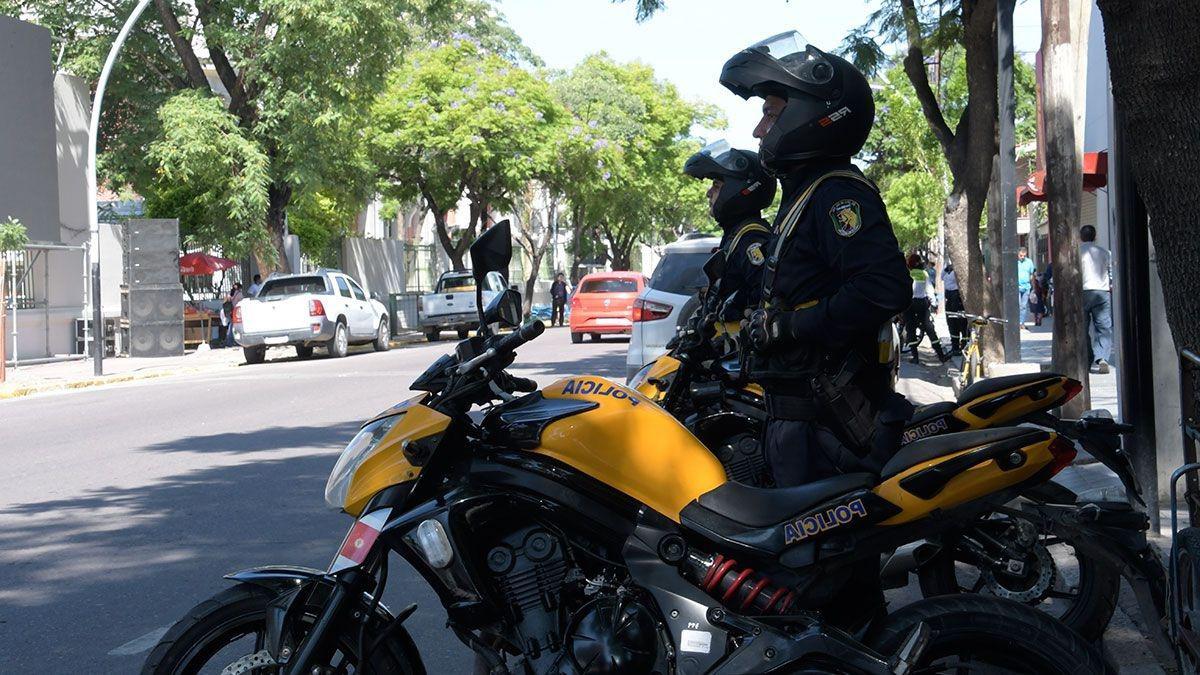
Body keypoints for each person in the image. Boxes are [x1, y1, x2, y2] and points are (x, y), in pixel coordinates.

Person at [721, 31, 913, 488]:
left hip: (830, 425)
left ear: (810, 113)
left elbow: (884, 288)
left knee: (823, 557)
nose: (759, 130)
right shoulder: (806, 194)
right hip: (798, 418)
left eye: (770, 113)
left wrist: (790, 327)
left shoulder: (836, 193)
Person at [683, 139, 776, 321]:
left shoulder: (751, 238)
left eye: (716, 185)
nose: (708, 193)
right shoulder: (736, 235)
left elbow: (763, 300)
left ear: (738, 189)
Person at [904, 254, 949, 364]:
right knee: (929, 328)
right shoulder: (923, 274)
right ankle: (941, 356)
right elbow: (929, 289)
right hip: (921, 303)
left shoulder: (906, 273)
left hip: (909, 304)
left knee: (911, 330)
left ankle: (915, 358)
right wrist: (934, 303)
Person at [1080, 225, 1113, 373]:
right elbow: (1111, 273)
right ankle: (1102, 358)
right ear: (1095, 236)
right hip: (1102, 292)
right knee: (1103, 327)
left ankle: (1086, 359)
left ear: (1081, 237)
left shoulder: (1076, 253)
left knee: (1082, 328)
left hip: (1082, 292)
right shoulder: (1106, 252)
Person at [943, 262, 966, 355]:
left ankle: (962, 346)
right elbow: (942, 277)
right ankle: (956, 347)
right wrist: (947, 269)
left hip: (958, 299)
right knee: (952, 323)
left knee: (962, 324)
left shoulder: (957, 272)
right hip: (951, 299)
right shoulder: (947, 272)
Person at [1016, 246, 1036, 328]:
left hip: (1026, 287)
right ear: (1018, 254)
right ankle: (1016, 322)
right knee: (1018, 305)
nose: (1022, 257)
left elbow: (1032, 274)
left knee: (1023, 306)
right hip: (1017, 287)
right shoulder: (1015, 262)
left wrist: (1033, 287)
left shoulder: (1029, 262)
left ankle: (1021, 323)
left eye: (1024, 256)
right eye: (1021, 255)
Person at [224, 283, 244, 348]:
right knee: (235, 327)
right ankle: (236, 341)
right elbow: (241, 303)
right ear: (240, 288)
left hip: (229, 311)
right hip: (236, 312)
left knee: (231, 326)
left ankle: (229, 341)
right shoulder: (239, 294)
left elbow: (225, 301)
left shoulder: (230, 294)